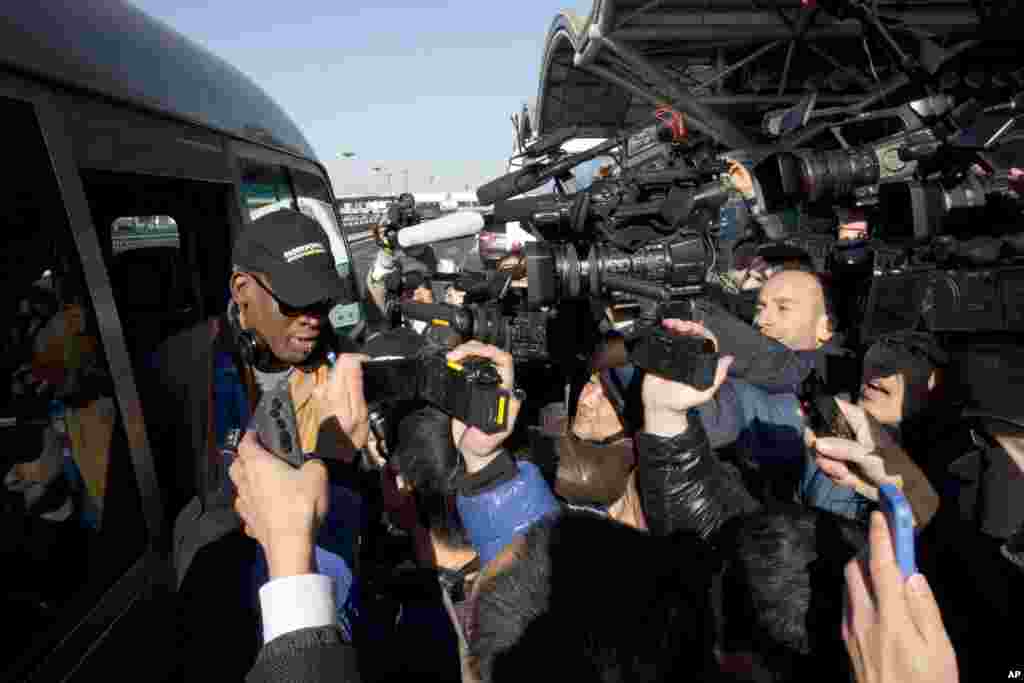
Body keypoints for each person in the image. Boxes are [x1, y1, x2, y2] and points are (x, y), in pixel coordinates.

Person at [144, 209, 358, 680]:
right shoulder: (180, 365)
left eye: (321, 304)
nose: (313, 322)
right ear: (243, 292)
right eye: (295, 303)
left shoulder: (344, 364)